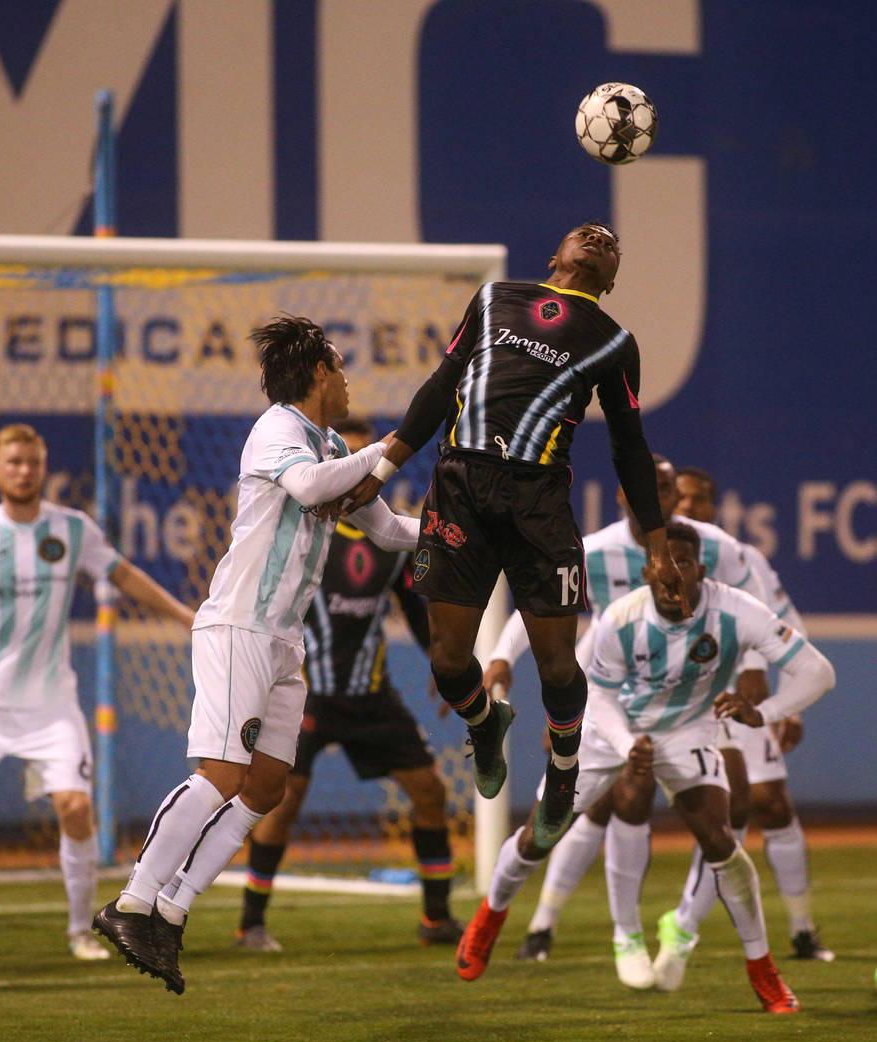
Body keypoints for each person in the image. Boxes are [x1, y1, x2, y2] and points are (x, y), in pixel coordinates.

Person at [339, 222, 687, 860]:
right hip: (460, 487)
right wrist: (383, 467)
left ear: (610, 280)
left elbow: (628, 445)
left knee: (557, 662)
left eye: (612, 241)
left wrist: (658, 544)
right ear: (554, 255)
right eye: (586, 233)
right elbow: (443, 386)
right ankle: (485, 722)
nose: (601, 236)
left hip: (539, 503)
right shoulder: (495, 296)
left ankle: (563, 770)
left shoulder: (614, 342)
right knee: (447, 661)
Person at [92, 316, 420, 994]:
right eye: (342, 365)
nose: (350, 379)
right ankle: (131, 903)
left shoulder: (328, 442)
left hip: (282, 640)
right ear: (320, 373)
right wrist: (390, 447)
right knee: (219, 772)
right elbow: (307, 489)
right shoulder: (278, 429)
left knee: (265, 786)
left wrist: (459, 535)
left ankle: (173, 911)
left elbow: (386, 532)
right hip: (239, 626)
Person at [456, 521, 835, 1014]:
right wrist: (626, 743)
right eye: (663, 570)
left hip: (687, 731)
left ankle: (762, 970)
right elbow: (602, 696)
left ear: (702, 570)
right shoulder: (621, 618)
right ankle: (492, 914)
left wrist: (764, 713)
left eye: (684, 569)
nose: (674, 580)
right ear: (648, 572)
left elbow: (818, 672)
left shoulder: (739, 611)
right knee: (539, 836)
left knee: (722, 840)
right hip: (610, 730)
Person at [487, 453, 767, 986]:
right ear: (623, 496)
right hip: (611, 695)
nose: (662, 499)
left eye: (667, 491)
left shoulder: (708, 546)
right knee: (584, 812)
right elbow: (541, 603)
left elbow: (753, 603)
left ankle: (679, 932)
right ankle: (567, 926)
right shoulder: (595, 552)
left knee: (735, 803)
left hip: (695, 695)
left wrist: (754, 663)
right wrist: (504, 656)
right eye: (650, 489)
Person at [0, 423, 195, 962]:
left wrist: (182, 615)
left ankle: (81, 930)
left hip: (50, 705)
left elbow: (123, 575)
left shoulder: (73, 529)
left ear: (44, 469)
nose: (23, 471)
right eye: (12, 462)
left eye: (32, 462)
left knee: (76, 807)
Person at [235, 416, 462, 952]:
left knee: (430, 792)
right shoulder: (304, 535)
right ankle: (252, 924)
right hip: (306, 694)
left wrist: (446, 665)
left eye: (369, 464)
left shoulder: (388, 537)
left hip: (371, 697)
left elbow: (413, 607)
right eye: (348, 463)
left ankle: (437, 919)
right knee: (282, 803)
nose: (360, 475)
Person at [652, 466, 834, 991]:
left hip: (740, 695)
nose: (688, 507)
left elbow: (783, 621)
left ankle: (799, 930)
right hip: (682, 698)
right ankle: (669, 926)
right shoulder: (657, 555)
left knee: (768, 802)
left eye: (698, 499)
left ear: (714, 505)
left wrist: (784, 702)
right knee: (717, 809)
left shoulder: (739, 556)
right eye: (679, 498)